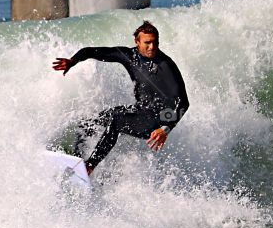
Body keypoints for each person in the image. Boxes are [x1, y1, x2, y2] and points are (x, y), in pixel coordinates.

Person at [52, 21, 189, 175]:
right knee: (89, 122)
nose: (152, 47)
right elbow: (91, 51)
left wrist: (165, 129)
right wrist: (73, 60)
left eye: (155, 42)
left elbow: (183, 102)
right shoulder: (129, 55)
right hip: (140, 110)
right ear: (137, 42)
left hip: (156, 120)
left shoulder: (165, 65)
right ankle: (77, 160)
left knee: (116, 121)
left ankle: (89, 166)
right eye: (147, 42)